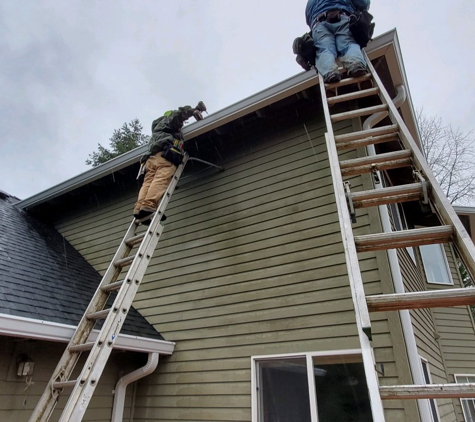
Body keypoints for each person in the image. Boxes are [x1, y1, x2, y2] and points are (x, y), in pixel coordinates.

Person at [133, 102, 206, 222]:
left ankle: (139, 208)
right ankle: (149, 205)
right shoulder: (168, 121)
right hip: (165, 156)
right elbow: (177, 115)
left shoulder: (157, 131)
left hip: (151, 159)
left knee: (148, 182)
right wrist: (194, 110)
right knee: (161, 178)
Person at [305, 0, 371, 83]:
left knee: (324, 50)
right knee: (348, 44)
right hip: (342, 17)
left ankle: (330, 72)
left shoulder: (310, 2)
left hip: (319, 25)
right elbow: (362, 3)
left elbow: (309, 20)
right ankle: (355, 64)